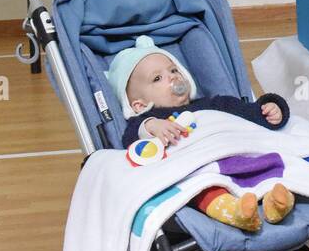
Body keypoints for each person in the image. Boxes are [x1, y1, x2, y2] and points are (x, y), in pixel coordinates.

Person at [107, 35, 296, 234]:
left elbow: (250, 113)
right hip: (200, 173)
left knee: (272, 168)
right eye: (157, 78)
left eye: (173, 70)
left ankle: (276, 202)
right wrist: (151, 126)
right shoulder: (151, 120)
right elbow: (130, 142)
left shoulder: (213, 104)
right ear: (140, 105)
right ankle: (236, 212)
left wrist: (272, 109)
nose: (173, 77)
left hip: (235, 160)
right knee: (202, 190)